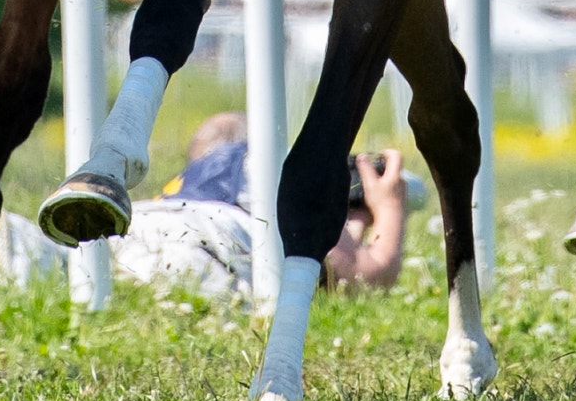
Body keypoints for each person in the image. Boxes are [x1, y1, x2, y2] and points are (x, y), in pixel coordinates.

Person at [106, 111, 414, 301]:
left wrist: (352, 223)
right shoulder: (262, 165)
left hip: (127, 228)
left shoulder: (187, 185)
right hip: (199, 249)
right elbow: (364, 277)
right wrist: (390, 209)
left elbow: (330, 266)